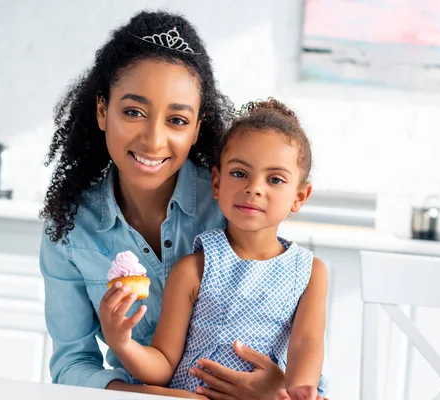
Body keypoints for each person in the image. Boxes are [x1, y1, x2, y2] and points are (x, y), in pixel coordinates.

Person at [40, 10, 291, 399]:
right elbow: (71, 363)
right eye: (134, 112)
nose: (154, 140)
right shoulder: (71, 230)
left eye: (176, 120)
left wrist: (278, 386)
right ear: (103, 111)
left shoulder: (234, 205)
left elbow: (284, 322)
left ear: (196, 127)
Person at [99, 98, 329, 400]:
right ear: (217, 182)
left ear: (300, 196)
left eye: (274, 179)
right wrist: (121, 342)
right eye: (239, 173)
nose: (254, 188)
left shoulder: (310, 272)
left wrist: (301, 389)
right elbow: (163, 366)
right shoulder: (194, 269)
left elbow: (307, 342)